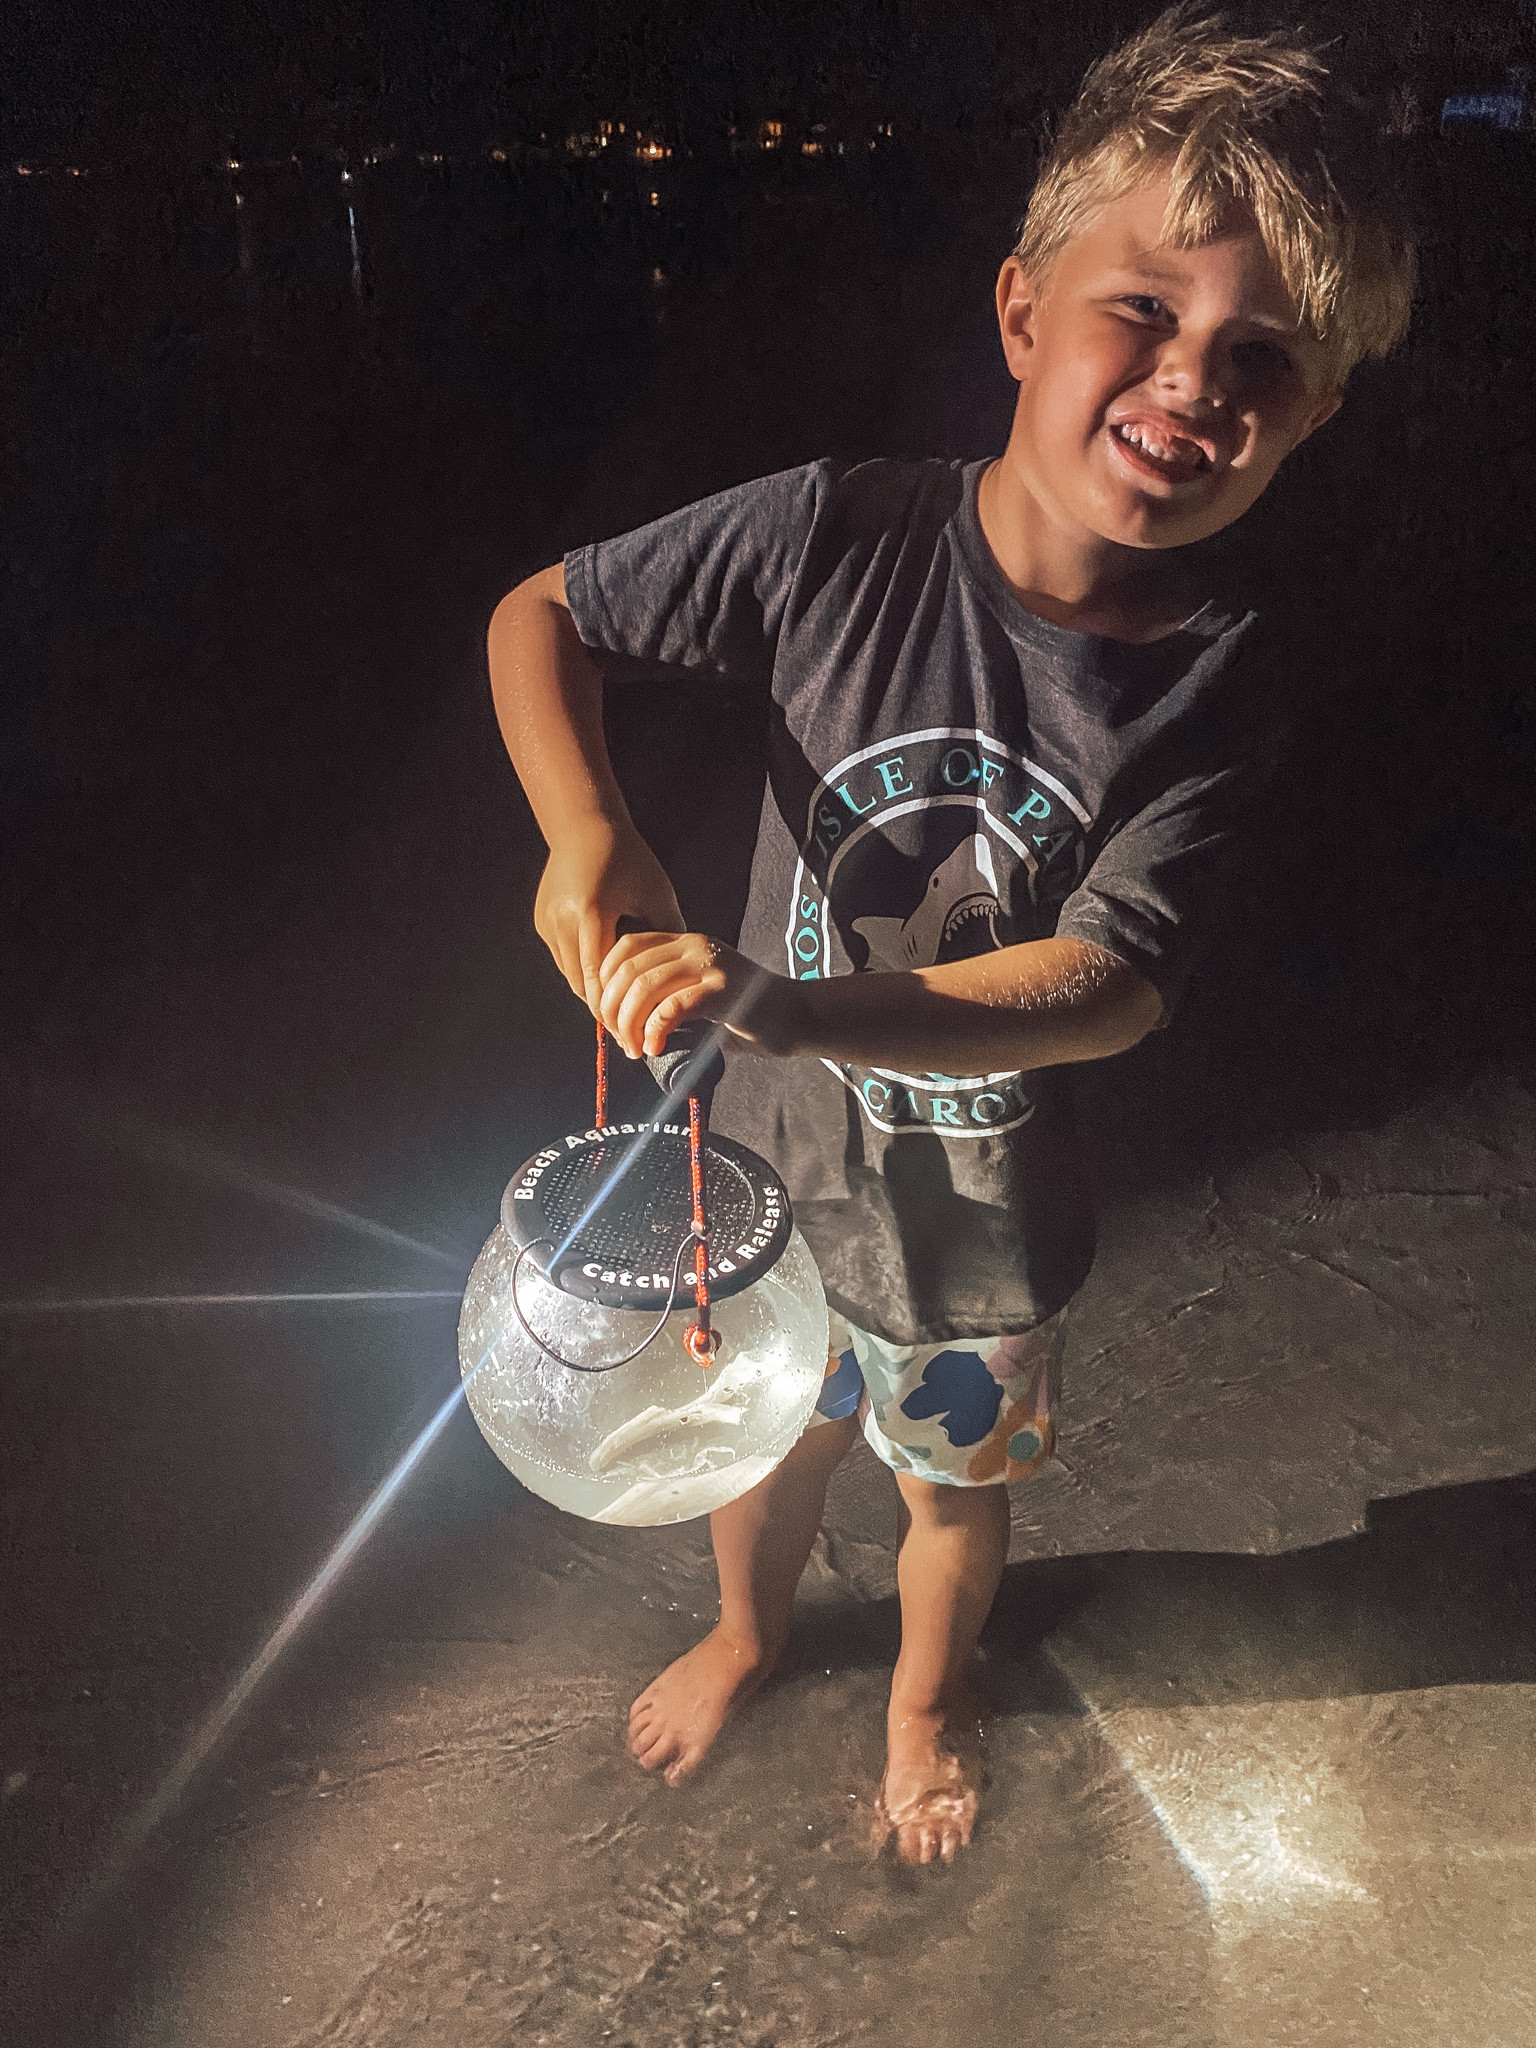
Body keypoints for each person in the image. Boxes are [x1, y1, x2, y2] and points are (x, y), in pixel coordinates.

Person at [486, 9, 1415, 1864]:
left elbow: (1109, 983)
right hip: (752, 1187)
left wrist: (795, 1001)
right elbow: (544, 615)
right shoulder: (836, 533)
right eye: (1140, 308)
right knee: (758, 1454)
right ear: (1020, 311)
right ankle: (748, 1630)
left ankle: (923, 1702)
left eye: (1263, 356)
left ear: (1307, 417)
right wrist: (590, 838)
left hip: (979, 1243)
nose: (1189, 378)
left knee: (949, 1490)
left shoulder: (1224, 686)